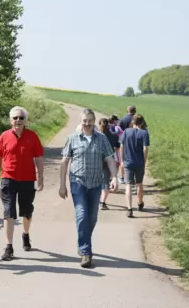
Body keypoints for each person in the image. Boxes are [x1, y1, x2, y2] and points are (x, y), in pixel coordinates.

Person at [59, 109, 118, 268]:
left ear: (94, 121)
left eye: (90, 120)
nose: (87, 123)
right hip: (77, 182)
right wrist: (62, 185)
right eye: (84, 120)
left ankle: (83, 240)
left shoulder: (102, 139)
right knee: (82, 214)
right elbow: (64, 163)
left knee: (92, 218)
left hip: (96, 183)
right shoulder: (72, 139)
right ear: (80, 121)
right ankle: (86, 252)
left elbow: (110, 159)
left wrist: (114, 177)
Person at [0, 106, 44, 261]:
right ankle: (9, 247)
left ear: (26, 120)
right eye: (15, 118)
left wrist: (40, 176)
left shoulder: (32, 136)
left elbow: (39, 158)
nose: (18, 120)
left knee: (27, 211)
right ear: (10, 120)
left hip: (27, 179)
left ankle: (25, 234)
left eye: (21, 118)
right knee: (9, 212)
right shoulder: (4, 136)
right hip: (8, 178)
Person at [119, 114, 150, 218]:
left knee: (128, 185)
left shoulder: (126, 131)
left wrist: (122, 160)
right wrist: (144, 161)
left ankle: (129, 209)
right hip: (139, 163)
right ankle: (140, 203)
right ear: (142, 123)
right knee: (139, 184)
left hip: (128, 162)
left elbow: (121, 146)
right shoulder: (144, 133)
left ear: (133, 122)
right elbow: (145, 149)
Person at [98, 118, 120, 210]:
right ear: (108, 125)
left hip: (96, 160)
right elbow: (117, 148)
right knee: (105, 182)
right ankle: (103, 202)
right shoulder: (114, 135)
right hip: (109, 160)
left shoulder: (96, 135)